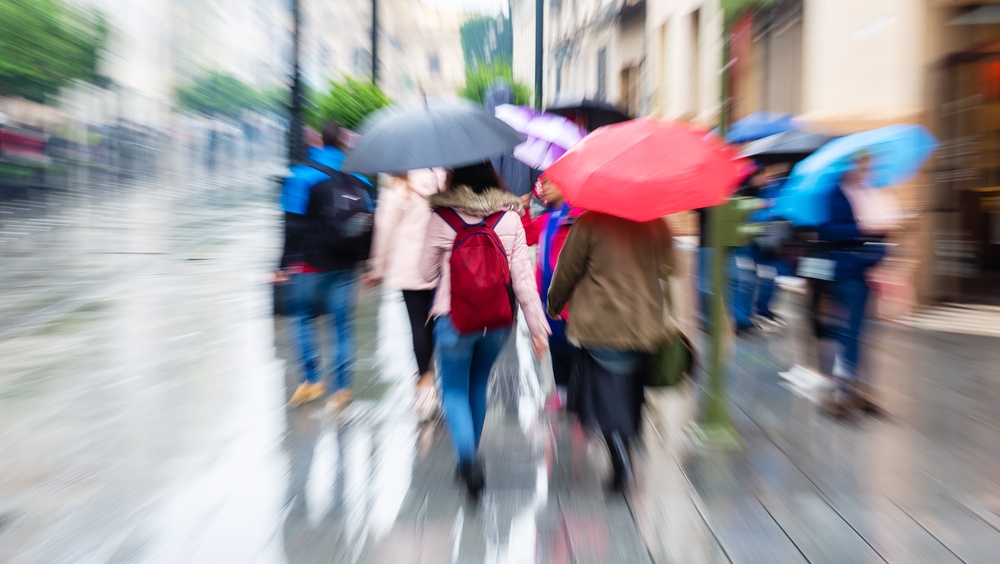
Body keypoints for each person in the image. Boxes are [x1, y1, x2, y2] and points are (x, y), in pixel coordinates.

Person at [419, 162, 550, 498]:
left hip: (453, 320)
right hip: (497, 321)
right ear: (493, 177)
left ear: (454, 178)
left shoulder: (442, 217)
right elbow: (523, 281)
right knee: (478, 385)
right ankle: (470, 459)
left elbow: (425, 273)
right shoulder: (510, 218)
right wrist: (538, 329)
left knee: (454, 390)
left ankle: (467, 460)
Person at [547, 211, 675, 491]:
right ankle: (626, 445)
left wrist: (555, 304)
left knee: (603, 395)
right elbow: (668, 267)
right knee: (630, 391)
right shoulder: (655, 222)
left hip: (600, 326)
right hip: (643, 323)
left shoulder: (590, 223)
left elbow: (567, 269)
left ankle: (619, 455)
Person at [278, 121, 374, 410]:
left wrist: (282, 265)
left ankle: (311, 381)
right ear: (344, 143)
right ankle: (341, 389)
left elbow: (291, 226)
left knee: (304, 319)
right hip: (346, 264)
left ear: (320, 141)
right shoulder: (360, 180)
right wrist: (367, 262)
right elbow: (370, 221)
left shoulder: (302, 175)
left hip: (310, 265)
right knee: (342, 325)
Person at [813, 151, 898, 418]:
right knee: (848, 332)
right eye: (862, 167)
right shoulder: (835, 194)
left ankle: (855, 390)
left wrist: (881, 249)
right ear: (848, 167)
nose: (866, 172)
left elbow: (880, 235)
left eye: (868, 167)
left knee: (860, 332)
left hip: (866, 271)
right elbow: (828, 230)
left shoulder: (869, 194)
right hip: (844, 271)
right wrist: (861, 227)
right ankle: (843, 391)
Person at [365, 168, 447, 421]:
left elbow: (384, 229)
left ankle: (425, 385)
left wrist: (377, 267)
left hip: (410, 267)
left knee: (418, 325)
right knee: (439, 322)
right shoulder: (444, 179)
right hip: (441, 263)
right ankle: (443, 379)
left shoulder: (398, 185)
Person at [520, 176, 583, 409]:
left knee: (573, 346)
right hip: (546, 294)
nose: (544, 188)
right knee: (555, 343)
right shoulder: (546, 217)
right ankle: (562, 392)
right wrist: (524, 211)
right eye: (543, 183)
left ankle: (578, 396)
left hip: (569, 296)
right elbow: (528, 237)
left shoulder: (576, 215)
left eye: (550, 183)